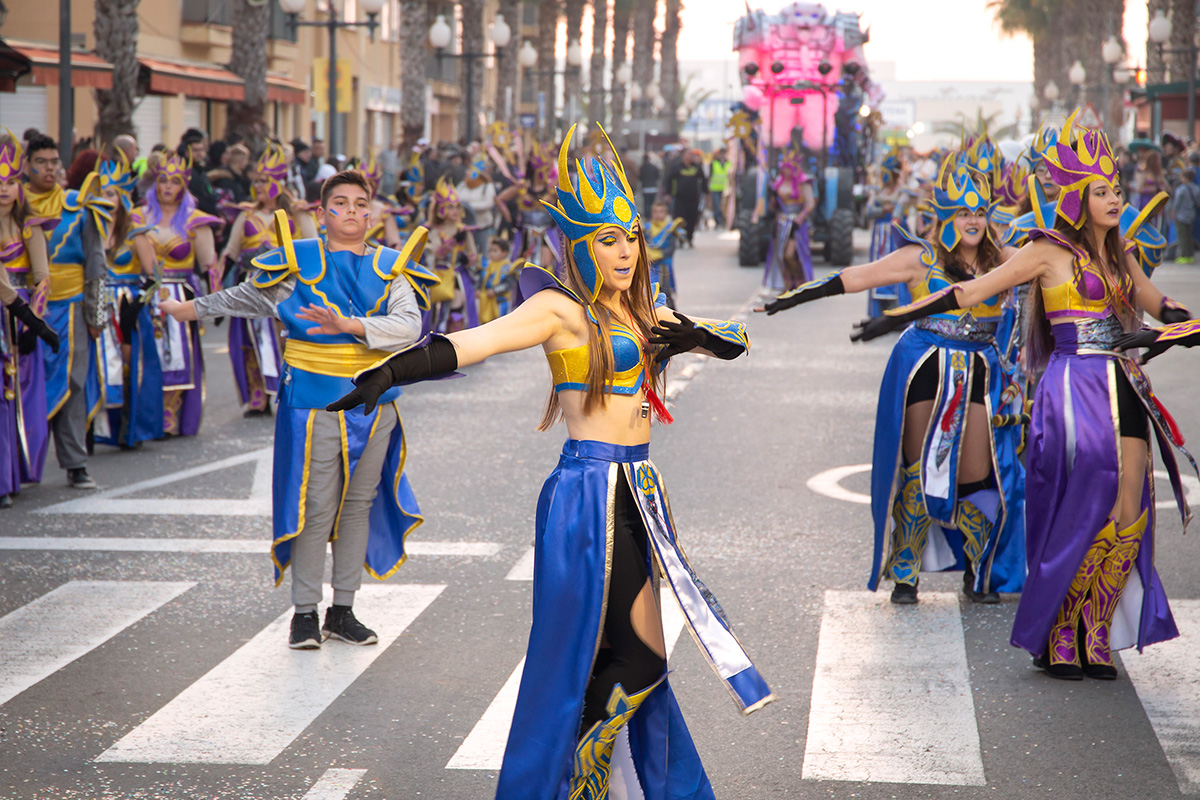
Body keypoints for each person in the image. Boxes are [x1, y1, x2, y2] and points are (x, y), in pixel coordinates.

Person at [327, 124, 771, 798]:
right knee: (614, 657)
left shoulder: (645, 310)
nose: (624, 251)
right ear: (580, 247)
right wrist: (391, 373)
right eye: (607, 240)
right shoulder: (560, 310)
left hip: (638, 490)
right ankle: (577, 785)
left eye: (630, 237)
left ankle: (599, 784)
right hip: (589, 493)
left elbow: (735, 346)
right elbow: (472, 343)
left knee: (632, 656)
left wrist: (698, 335)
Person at [854, 110, 1197, 680]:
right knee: (1085, 500)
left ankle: (1094, 631)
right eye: (1103, 191)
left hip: (1125, 384)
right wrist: (896, 317)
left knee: (1129, 508)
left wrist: (1180, 320)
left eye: (1118, 189)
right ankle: (1061, 630)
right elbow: (973, 290)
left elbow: (1158, 302)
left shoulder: (1120, 253)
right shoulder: (1046, 251)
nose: (1116, 199)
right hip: (1072, 387)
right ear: (1078, 196)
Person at [159, 171, 428, 649]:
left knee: (357, 507)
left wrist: (348, 324)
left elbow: (408, 325)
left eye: (359, 203)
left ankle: (341, 610)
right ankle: (304, 613)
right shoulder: (297, 264)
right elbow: (245, 298)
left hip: (374, 404)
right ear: (320, 215)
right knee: (316, 507)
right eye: (339, 203)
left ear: (371, 213)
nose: (350, 211)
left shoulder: (393, 267)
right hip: (312, 402)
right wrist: (187, 310)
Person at [762, 156, 1027, 605]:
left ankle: (979, 570)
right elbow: (855, 278)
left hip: (981, 370)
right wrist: (790, 298)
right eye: (963, 212)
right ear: (944, 214)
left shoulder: (1003, 260)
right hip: (926, 366)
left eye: (980, 212)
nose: (973, 221)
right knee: (918, 467)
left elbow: (1055, 267)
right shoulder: (920, 257)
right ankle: (906, 571)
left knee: (980, 473)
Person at [24, 134, 112, 489]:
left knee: (74, 386)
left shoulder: (78, 207)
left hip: (73, 308)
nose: (49, 168)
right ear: (27, 166)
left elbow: (97, 264)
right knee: (23, 386)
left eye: (54, 161)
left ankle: (75, 463)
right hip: (24, 310)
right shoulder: (14, 206)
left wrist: (97, 316)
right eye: (42, 161)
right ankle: (21, 462)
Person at [218, 144, 319, 417]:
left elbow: (314, 248)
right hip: (252, 284)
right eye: (257, 180)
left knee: (285, 339)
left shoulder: (297, 212)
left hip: (286, 287)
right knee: (249, 341)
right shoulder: (246, 214)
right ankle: (258, 395)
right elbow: (231, 252)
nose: (259, 185)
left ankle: (291, 388)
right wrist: (218, 286)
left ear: (278, 182)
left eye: (265, 180)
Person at [130, 151, 222, 437]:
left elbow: (210, 264)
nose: (167, 187)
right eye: (162, 180)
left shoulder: (196, 220)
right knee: (147, 354)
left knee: (178, 356)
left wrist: (215, 302)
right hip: (144, 295)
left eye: (174, 181)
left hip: (180, 295)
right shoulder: (137, 216)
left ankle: (170, 412)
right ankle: (146, 413)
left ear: (184, 184)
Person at [0, 136, 59, 507]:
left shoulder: (31, 226)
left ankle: (18, 469)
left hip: (22, 318)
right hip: (5, 314)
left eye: (8, 182)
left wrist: (33, 320)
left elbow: (42, 275)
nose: (3, 190)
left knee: (24, 394)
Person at [92, 149, 163, 450]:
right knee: (96, 367)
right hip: (97, 304)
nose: (107, 198)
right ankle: (94, 429)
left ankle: (128, 428)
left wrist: (137, 306)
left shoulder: (135, 231)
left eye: (113, 193)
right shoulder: (90, 228)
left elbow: (154, 276)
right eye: (102, 192)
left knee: (128, 366)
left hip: (127, 307)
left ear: (122, 197)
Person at [424, 177, 479, 333]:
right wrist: (453, 241)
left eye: (457, 207)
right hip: (440, 276)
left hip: (460, 276)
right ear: (441, 209)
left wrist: (468, 259)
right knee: (437, 311)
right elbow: (437, 253)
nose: (455, 210)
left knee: (459, 303)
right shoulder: (435, 230)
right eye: (451, 207)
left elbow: (473, 256)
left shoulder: (465, 230)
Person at [763, 145, 816, 293]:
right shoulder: (779, 182)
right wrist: (773, 201)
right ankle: (788, 283)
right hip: (781, 223)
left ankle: (799, 281)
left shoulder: (803, 182)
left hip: (795, 224)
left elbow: (810, 204)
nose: (786, 171)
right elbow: (773, 206)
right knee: (779, 255)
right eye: (784, 167)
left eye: (789, 167)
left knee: (790, 255)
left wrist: (800, 218)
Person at [664, 149, 706, 247]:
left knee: (692, 219)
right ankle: (680, 239)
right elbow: (669, 180)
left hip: (693, 198)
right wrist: (668, 194)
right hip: (680, 198)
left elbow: (703, 180)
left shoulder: (696, 167)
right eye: (689, 154)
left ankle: (690, 238)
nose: (691, 156)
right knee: (679, 219)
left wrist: (706, 192)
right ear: (683, 156)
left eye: (692, 155)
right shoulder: (677, 167)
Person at [645, 200, 683, 308]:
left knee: (667, 292)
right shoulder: (647, 228)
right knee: (651, 292)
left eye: (661, 212)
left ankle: (674, 315)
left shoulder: (670, 228)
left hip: (665, 265)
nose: (658, 214)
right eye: (656, 212)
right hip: (651, 266)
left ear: (666, 214)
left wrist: (660, 255)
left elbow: (672, 248)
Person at [456, 156, 497, 256]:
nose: (467, 172)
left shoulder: (487, 186)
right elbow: (455, 199)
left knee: (482, 253)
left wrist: (469, 206)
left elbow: (489, 203)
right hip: (464, 226)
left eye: (470, 170)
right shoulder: (462, 185)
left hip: (481, 226)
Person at [477, 235, 519, 324]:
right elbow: (481, 280)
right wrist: (478, 289)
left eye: (495, 251)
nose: (491, 253)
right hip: (486, 301)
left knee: (500, 323)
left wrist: (495, 291)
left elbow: (508, 285)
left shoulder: (508, 268)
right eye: (491, 250)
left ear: (505, 253)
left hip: (501, 302)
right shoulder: (486, 265)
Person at [179, 128, 219, 217]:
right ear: (187, 152)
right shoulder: (185, 171)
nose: (200, 154)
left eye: (201, 150)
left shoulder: (200, 170)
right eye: (195, 150)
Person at [1171, 167, 1200, 263]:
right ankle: (1190, 255)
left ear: (1185, 178)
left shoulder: (1181, 189)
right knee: (1189, 235)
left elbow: (1177, 202)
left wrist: (1173, 212)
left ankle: (1183, 255)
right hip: (1191, 214)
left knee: (1182, 236)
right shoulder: (1196, 188)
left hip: (1181, 215)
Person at [708, 151, 729, 228]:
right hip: (715, 188)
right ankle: (717, 221)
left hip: (726, 189)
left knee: (724, 207)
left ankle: (724, 221)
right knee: (716, 206)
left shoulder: (728, 163)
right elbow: (710, 176)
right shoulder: (714, 163)